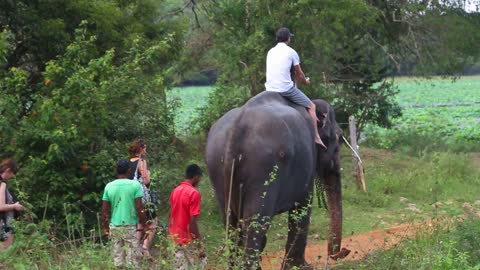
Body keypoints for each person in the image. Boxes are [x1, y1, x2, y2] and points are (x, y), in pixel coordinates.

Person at [265, 27, 326, 148]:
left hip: (269, 89)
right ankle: (316, 137)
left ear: (277, 39)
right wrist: (305, 81)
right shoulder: (291, 52)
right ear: (288, 39)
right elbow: (299, 74)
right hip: (285, 89)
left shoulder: (270, 51)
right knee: (311, 106)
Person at [102, 159, 148, 268]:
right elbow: (139, 207)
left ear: (116, 170)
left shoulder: (109, 186)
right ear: (129, 171)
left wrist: (106, 228)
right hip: (130, 227)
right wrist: (145, 225)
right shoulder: (135, 185)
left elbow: (104, 211)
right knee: (132, 259)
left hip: (115, 227)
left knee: (117, 259)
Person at [168, 164, 206, 270]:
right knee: (198, 265)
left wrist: (169, 233)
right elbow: (192, 221)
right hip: (188, 239)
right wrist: (199, 241)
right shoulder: (194, 193)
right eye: (199, 178)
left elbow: (172, 214)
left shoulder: (175, 191)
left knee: (179, 267)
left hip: (174, 237)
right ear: (196, 177)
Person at [128, 139, 157, 256]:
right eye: (145, 148)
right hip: (143, 197)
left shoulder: (128, 162)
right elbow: (146, 180)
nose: (146, 151)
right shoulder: (141, 161)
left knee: (140, 221)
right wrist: (148, 174)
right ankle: (145, 247)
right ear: (140, 149)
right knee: (153, 221)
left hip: (131, 196)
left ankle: (136, 248)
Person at [0, 159, 24, 251]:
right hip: (4, 225)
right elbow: (1, 206)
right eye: (13, 173)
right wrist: (15, 206)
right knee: (5, 254)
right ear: (8, 170)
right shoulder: (2, 184)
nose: (13, 176)